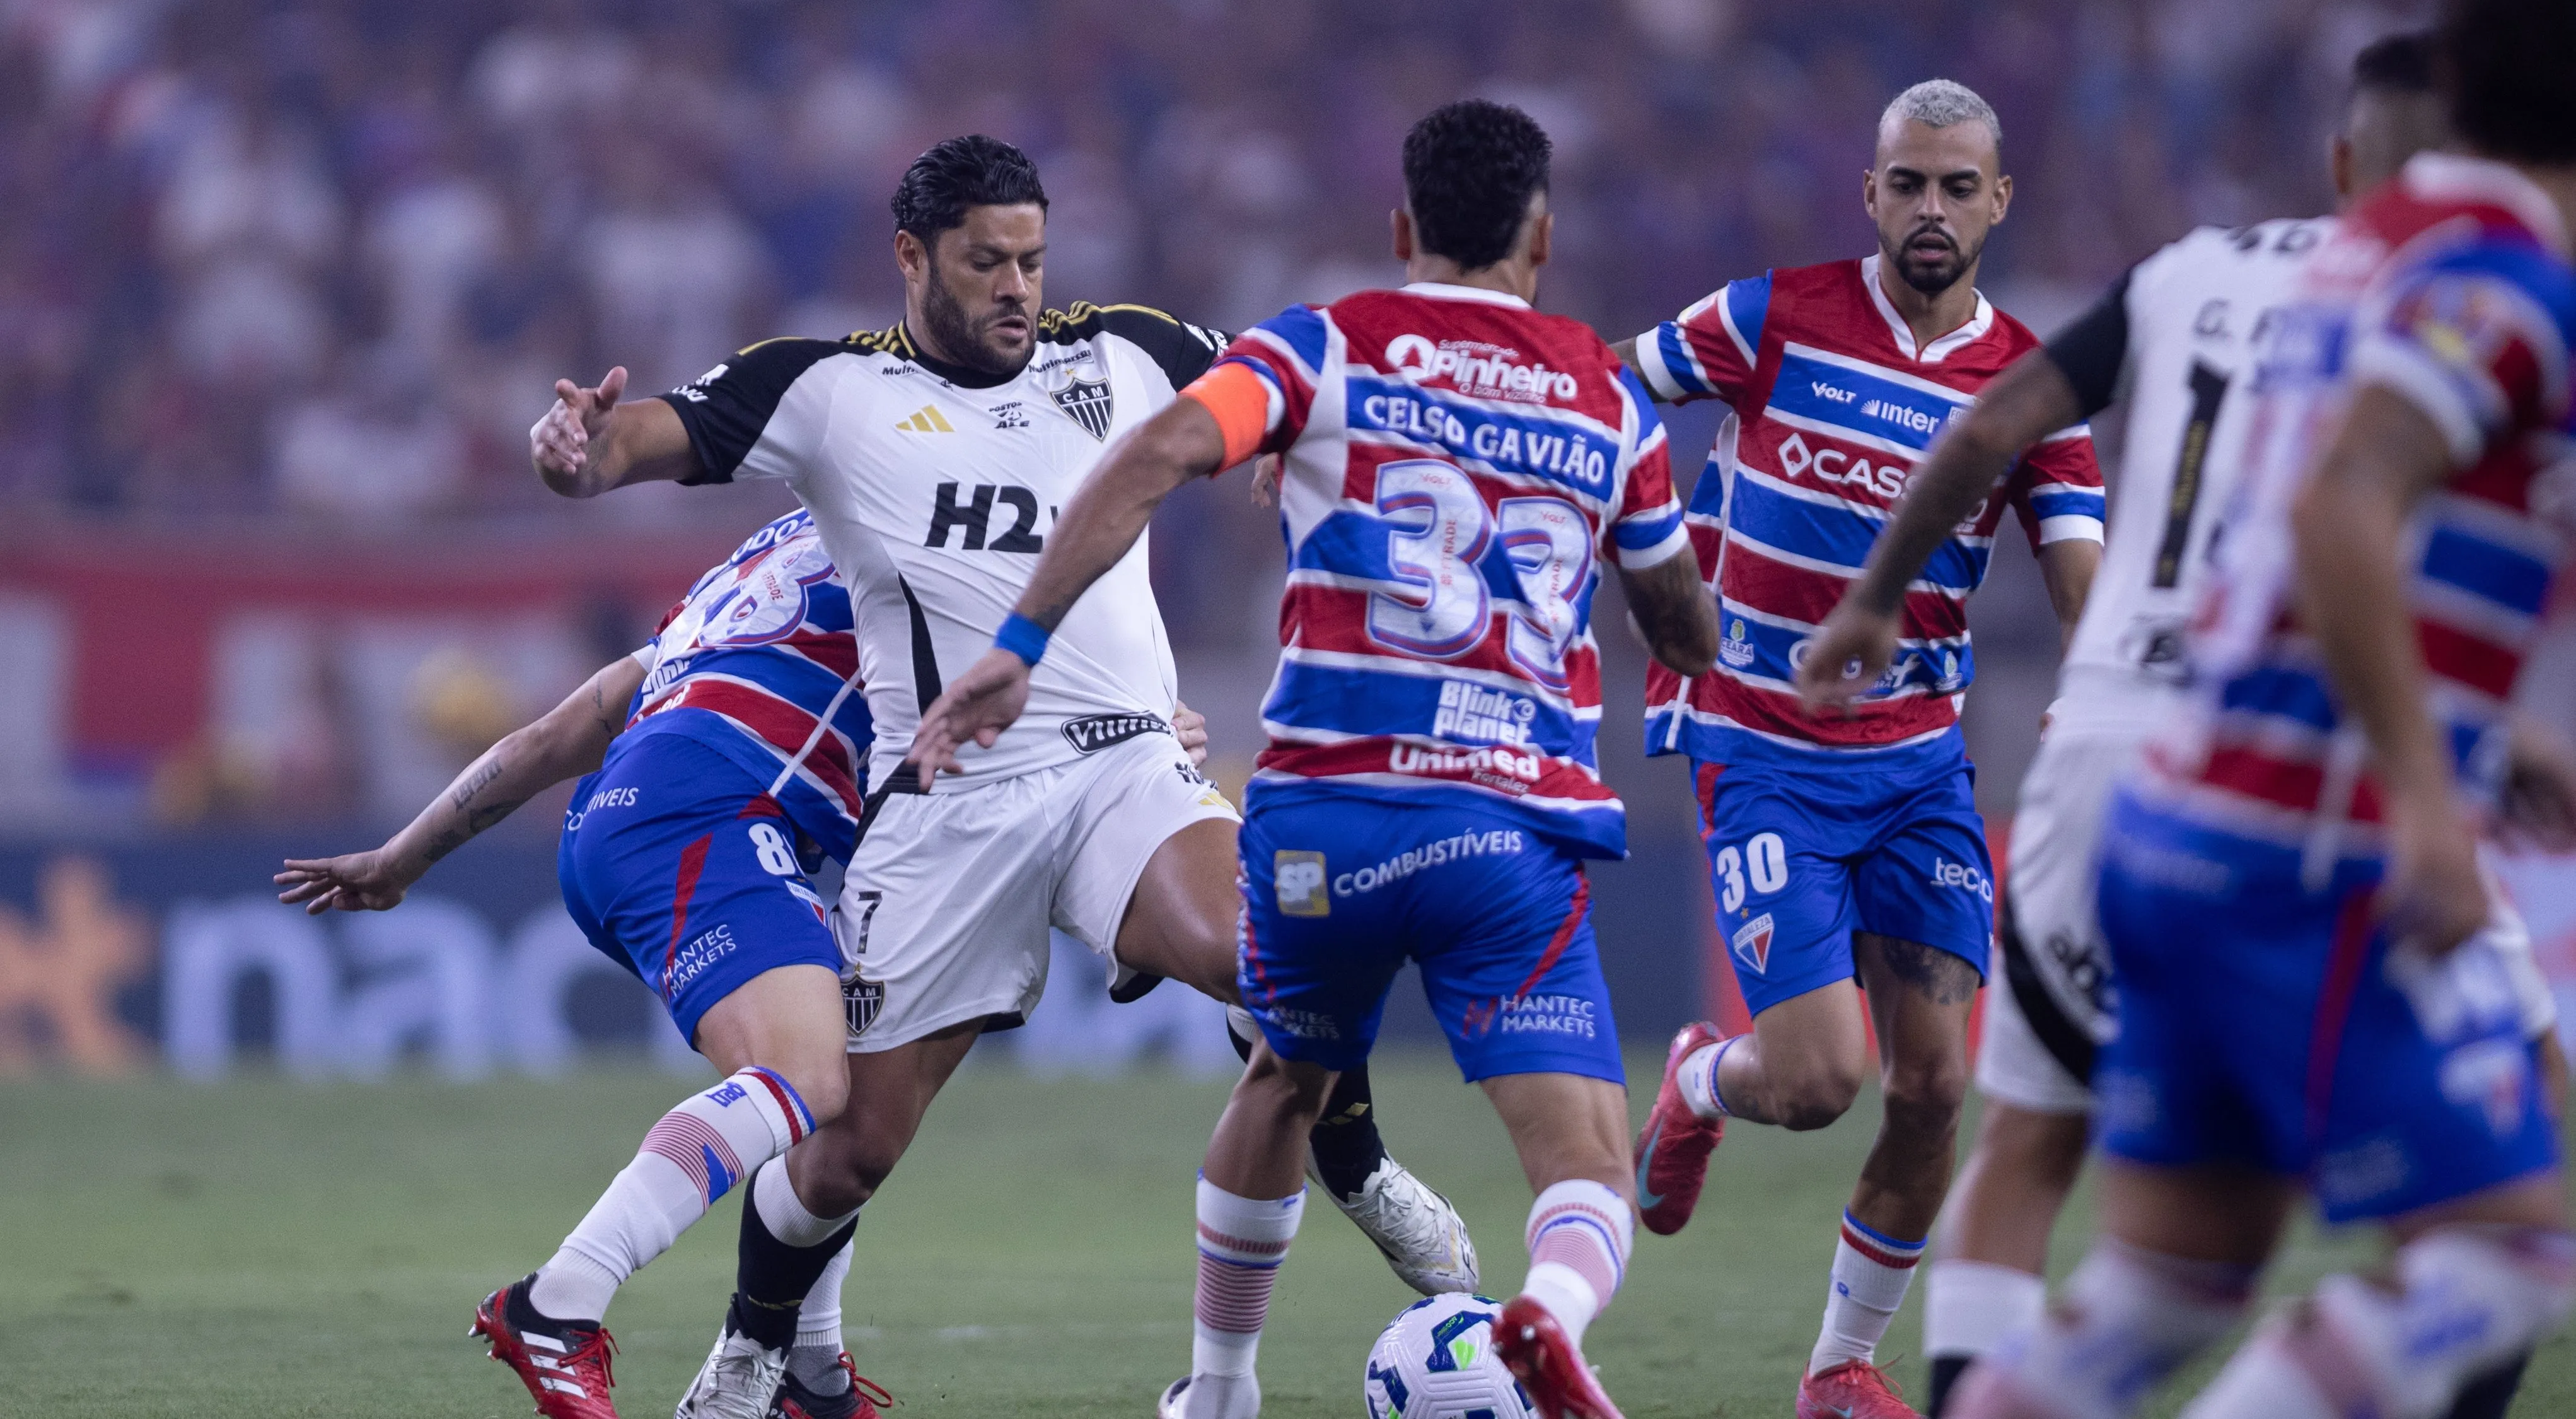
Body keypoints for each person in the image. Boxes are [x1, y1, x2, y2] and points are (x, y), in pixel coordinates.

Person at [523, 133, 1475, 1418]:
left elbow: (1292, 382)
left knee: (1277, 958)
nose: (1018, 285)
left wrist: (1294, 450)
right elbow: (644, 437)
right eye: (986, 262)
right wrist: (582, 450)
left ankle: (1359, 1173)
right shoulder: (825, 390)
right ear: (914, 259)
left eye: (1032, 257)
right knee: (844, 1153)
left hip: (1126, 770)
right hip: (950, 807)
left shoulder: (1127, 350)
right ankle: (751, 1355)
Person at [1795, 32, 2573, 1419]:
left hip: (2133, 767)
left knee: (2096, 1200)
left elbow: (1987, 430)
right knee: (2516, 1221)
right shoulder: (2466, 293)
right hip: (2317, 800)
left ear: (2344, 161)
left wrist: (1871, 600)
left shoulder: (2207, 269)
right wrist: (2440, 777)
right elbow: (2343, 527)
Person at [906, 98, 1718, 1419]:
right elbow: (1679, 626)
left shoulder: (1326, 345)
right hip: (1503, 825)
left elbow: (1160, 450)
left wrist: (1023, 639)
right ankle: (1544, 1315)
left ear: (1403, 228)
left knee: (1286, 1078)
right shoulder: (1606, 393)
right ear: (1544, 236)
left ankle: (1220, 1392)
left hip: (1323, 818)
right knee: (1584, 1162)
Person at [1617, 79, 2104, 1418]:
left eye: (1959, 186)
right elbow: (1602, 397)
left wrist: (2098, 678)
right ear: (1871, 194)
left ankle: (1839, 1369)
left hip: (1921, 768)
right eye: (1909, 184)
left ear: (1999, 199)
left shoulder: (2036, 387)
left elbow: (2081, 563)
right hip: (1762, 743)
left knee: (1940, 1086)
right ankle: (1703, 1082)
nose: (1932, 208)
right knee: (1826, 1078)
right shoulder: (1770, 315)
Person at [277, 508, 898, 1419]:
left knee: (815, 1091)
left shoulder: (748, 574)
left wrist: (400, 858)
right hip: (707, 808)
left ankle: (807, 1371)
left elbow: (551, 736)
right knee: (804, 1074)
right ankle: (558, 1302)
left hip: (625, 815)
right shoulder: (916, 538)